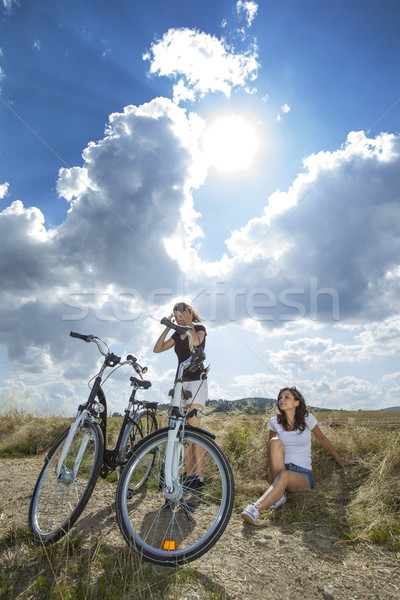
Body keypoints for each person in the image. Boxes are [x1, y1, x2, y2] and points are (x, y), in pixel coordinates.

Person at [241, 386, 358, 525]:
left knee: (284, 475)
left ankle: (255, 508)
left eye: (287, 397)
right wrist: (271, 472)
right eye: (280, 398)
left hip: (302, 476)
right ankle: (279, 494)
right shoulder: (274, 422)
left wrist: (340, 460)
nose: (281, 400)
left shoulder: (307, 419)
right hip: (278, 471)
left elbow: (322, 439)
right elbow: (271, 451)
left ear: (297, 403)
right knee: (274, 442)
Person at [153, 301, 208, 488]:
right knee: (182, 432)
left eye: (181, 316)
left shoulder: (199, 328)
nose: (179, 319)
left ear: (189, 314)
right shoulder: (177, 334)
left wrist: (188, 325)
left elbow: (197, 342)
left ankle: (199, 478)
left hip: (196, 382)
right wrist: (168, 328)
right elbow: (157, 348)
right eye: (176, 317)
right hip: (180, 384)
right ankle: (188, 474)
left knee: (194, 430)